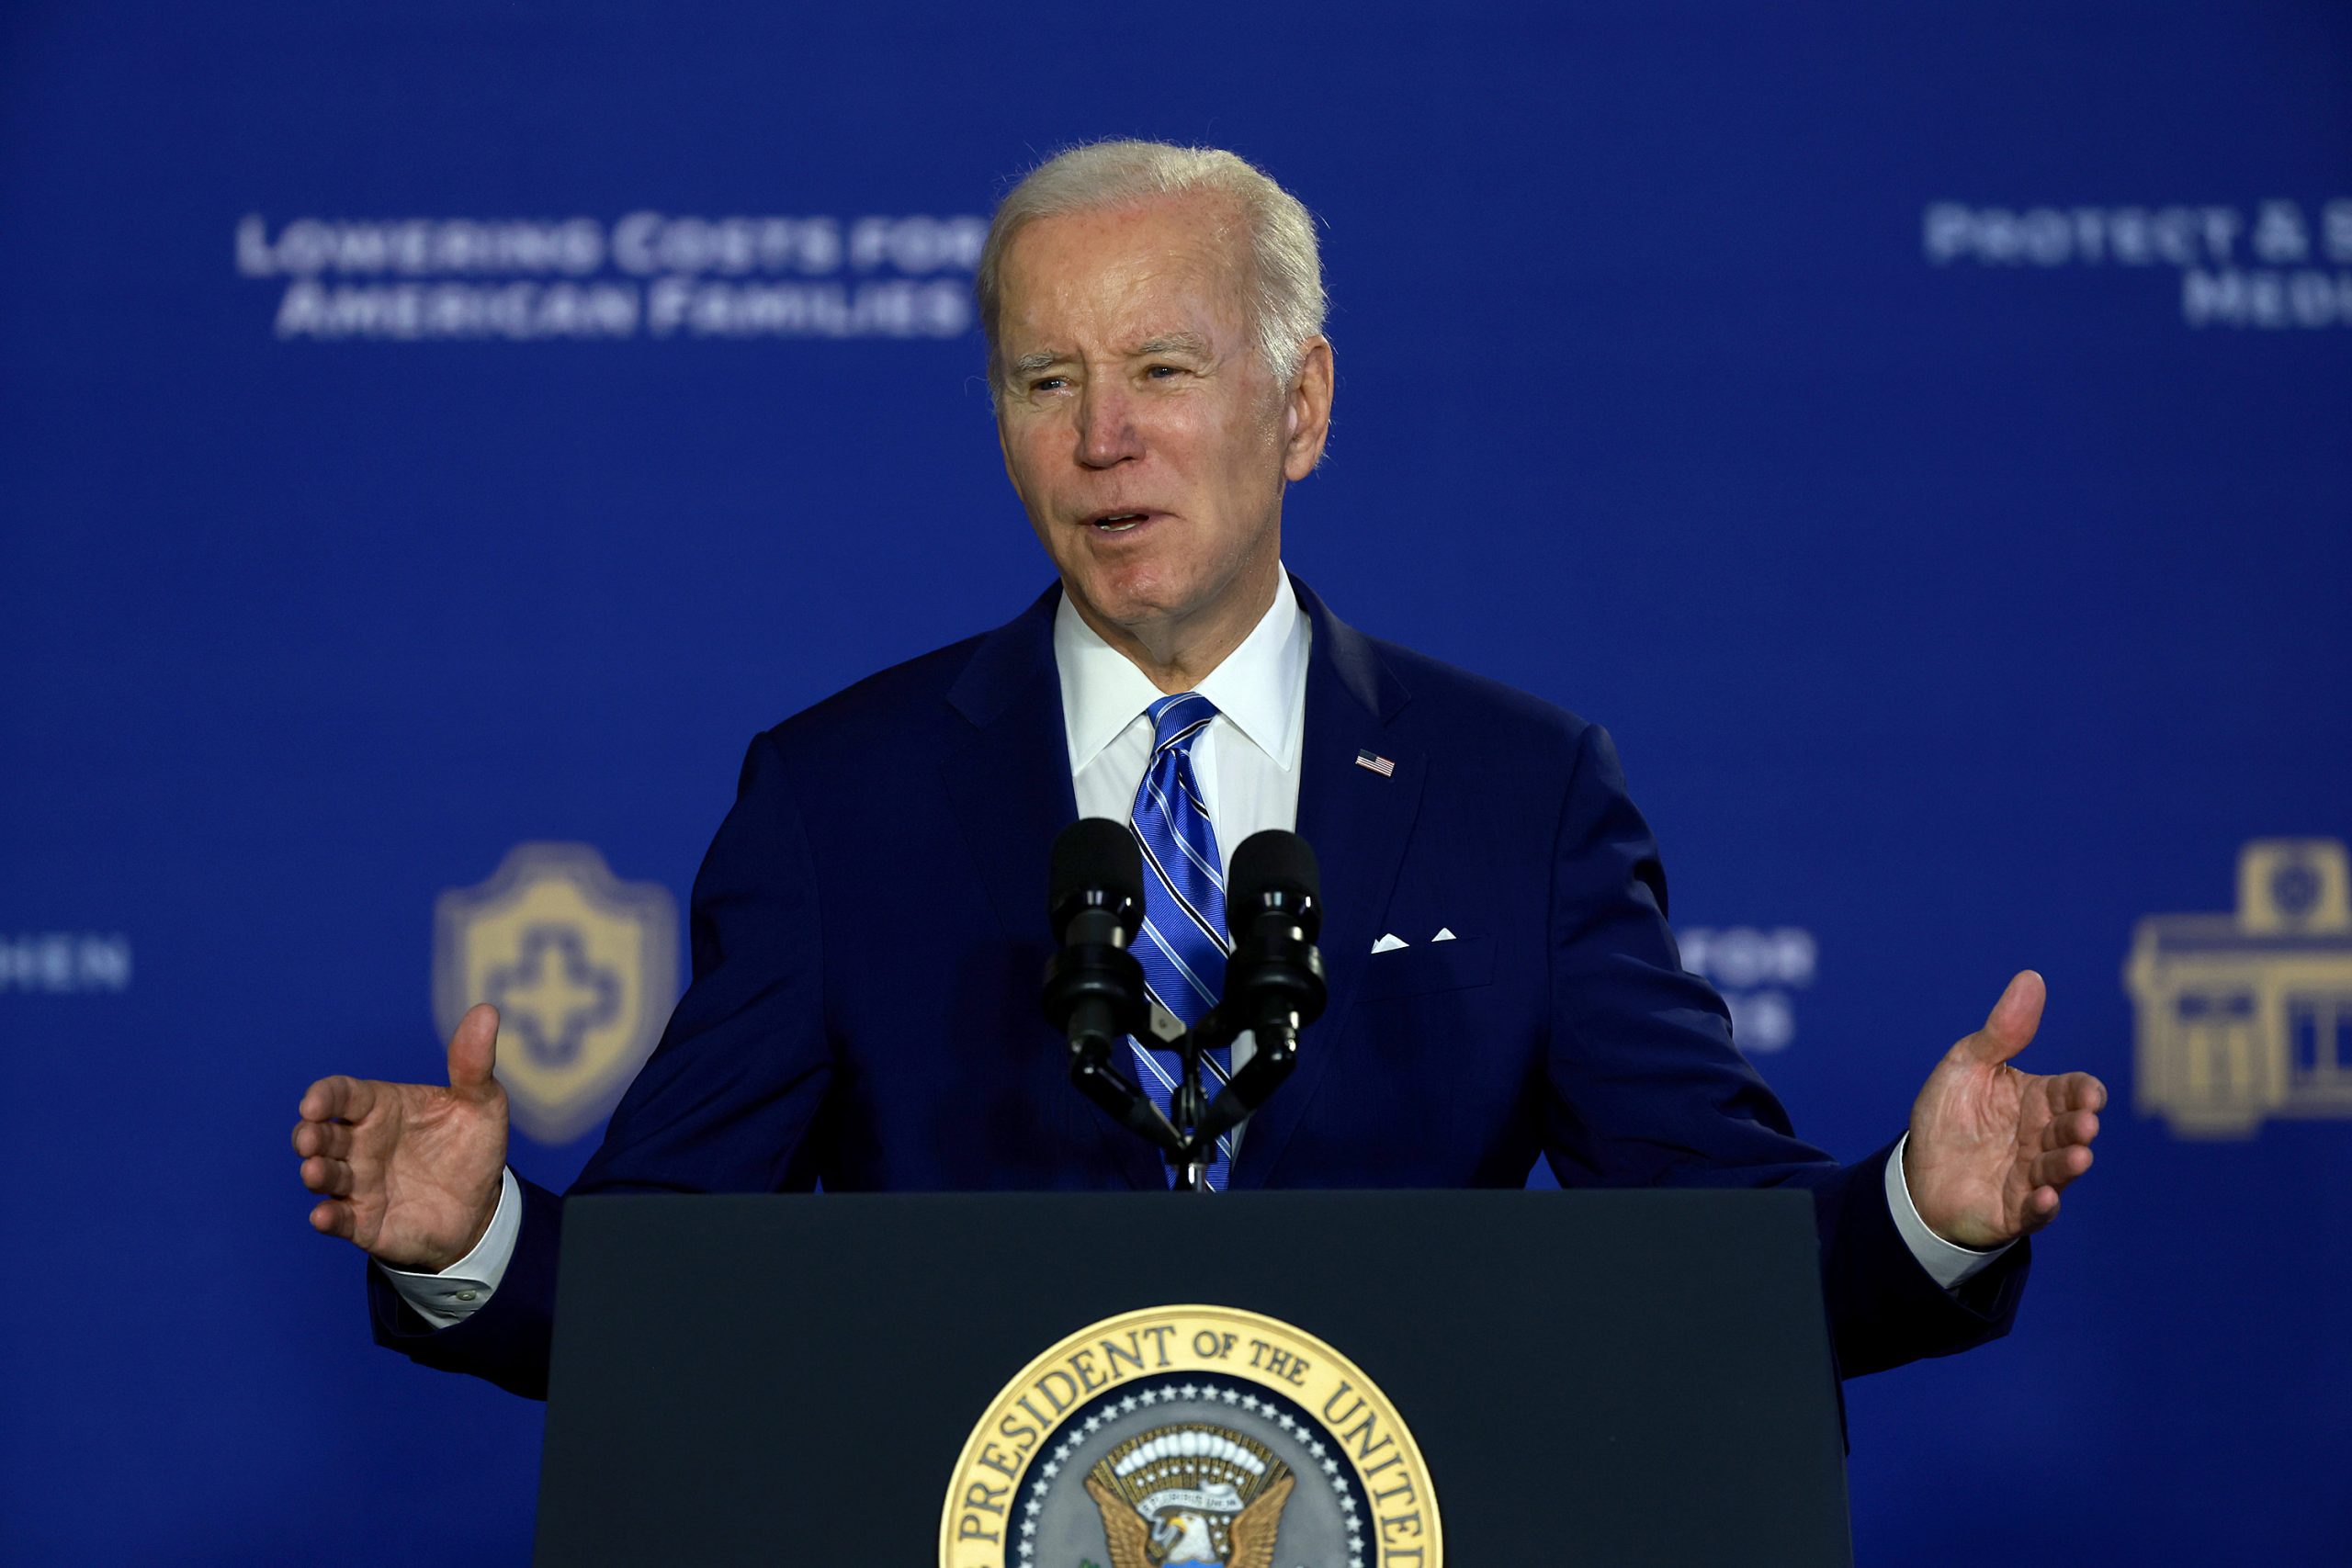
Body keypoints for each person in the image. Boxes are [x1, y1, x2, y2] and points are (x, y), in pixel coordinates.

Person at [292, 141, 2104, 1400]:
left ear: (1299, 404)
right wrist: (475, 1239)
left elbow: (1707, 1234)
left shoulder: (1511, 787)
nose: (1101, 438)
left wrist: (1912, 1211)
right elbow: (670, 1289)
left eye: (1162, 364)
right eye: (1041, 378)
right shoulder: (836, 801)